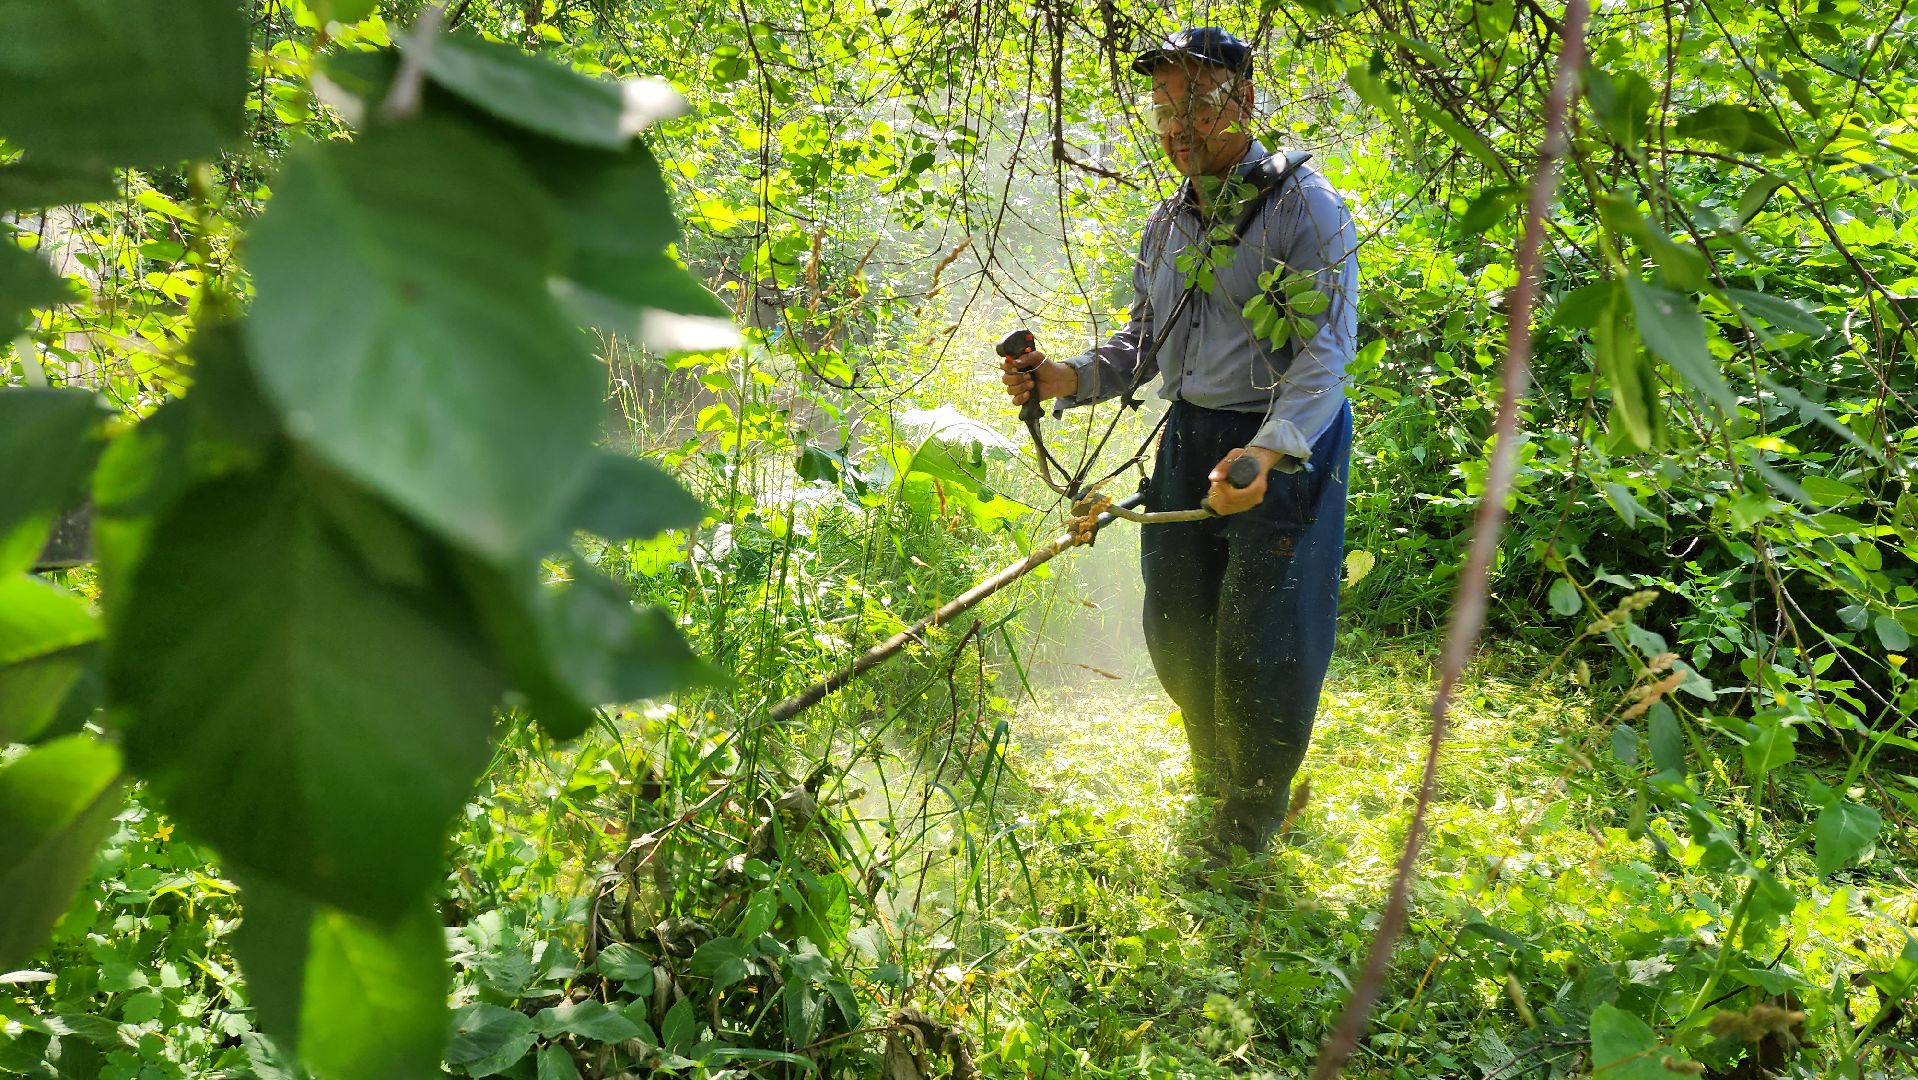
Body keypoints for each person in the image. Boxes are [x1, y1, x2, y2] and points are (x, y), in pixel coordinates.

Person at [999, 27, 1358, 860]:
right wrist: (1061, 377)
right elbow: (1144, 343)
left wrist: (1265, 456)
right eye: (1163, 107)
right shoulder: (1169, 223)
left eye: (1196, 102)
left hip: (1280, 444)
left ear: (1245, 99)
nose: (1177, 125)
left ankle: (1253, 812)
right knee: (1178, 621)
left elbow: (1325, 357)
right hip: (1190, 433)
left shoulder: (1306, 210)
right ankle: (1215, 768)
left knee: (1264, 634)